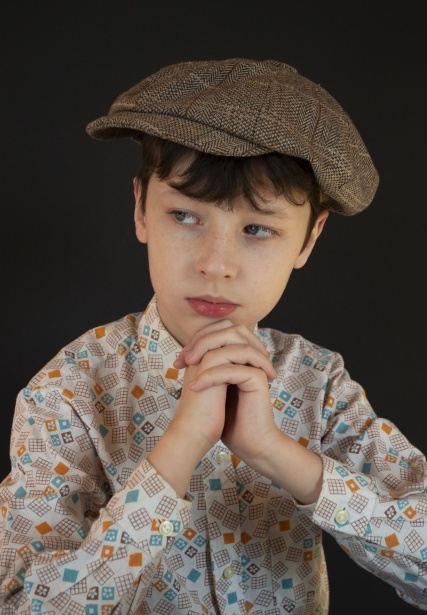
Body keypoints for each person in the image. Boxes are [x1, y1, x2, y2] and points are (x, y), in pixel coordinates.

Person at [0, 57, 426, 614]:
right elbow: (24, 606)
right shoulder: (68, 389)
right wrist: (177, 450)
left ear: (308, 239)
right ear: (141, 210)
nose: (216, 264)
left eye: (257, 229)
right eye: (184, 216)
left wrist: (275, 452)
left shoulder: (318, 383)